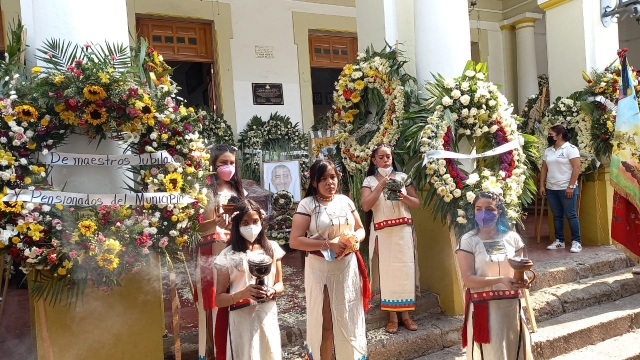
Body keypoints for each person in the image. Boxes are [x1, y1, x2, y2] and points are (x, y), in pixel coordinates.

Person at [289, 160, 370, 360]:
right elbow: (295, 241)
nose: (329, 183)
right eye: (323, 179)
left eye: (332, 177)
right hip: (321, 269)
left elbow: (360, 229)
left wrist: (355, 240)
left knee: (348, 317)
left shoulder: (345, 201)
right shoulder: (307, 204)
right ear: (314, 182)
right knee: (326, 322)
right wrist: (328, 245)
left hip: (347, 266)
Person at [456, 191, 534, 359]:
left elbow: (519, 270)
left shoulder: (512, 238)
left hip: (511, 307)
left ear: (499, 212)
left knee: (515, 350)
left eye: (489, 209)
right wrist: (500, 280)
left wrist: (524, 280)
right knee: (493, 353)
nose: (483, 213)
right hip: (485, 309)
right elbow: (469, 280)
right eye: (478, 209)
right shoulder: (468, 241)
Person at [360, 143, 421, 334]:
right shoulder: (369, 181)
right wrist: (381, 185)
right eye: (382, 157)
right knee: (387, 272)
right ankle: (392, 318)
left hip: (403, 230)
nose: (386, 160)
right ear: (374, 160)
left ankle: (406, 316)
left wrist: (403, 196)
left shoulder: (403, 178)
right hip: (382, 232)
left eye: (389, 156)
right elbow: (366, 206)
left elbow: (416, 203)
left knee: (405, 270)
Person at [214, 199, 285, 360]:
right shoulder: (227, 255)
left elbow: (280, 284)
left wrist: (272, 290)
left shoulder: (272, 248)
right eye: (245, 223)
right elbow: (219, 300)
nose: (251, 226)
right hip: (241, 318)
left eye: (255, 221)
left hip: (267, 314)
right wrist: (242, 293)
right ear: (237, 225)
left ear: (261, 221)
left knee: (269, 353)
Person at [196, 144, 247, 360]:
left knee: (235, 299)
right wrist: (214, 223)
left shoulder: (239, 192)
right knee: (214, 305)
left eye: (231, 163)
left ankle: (236, 350)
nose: (228, 167)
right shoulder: (203, 192)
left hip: (234, 254)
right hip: (211, 256)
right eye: (222, 163)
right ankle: (216, 352)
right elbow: (193, 229)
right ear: (212, 166)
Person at [539, 124, 582, 253]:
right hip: (551, 188)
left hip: (566, 188)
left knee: (571, 215)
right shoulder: (548, 151)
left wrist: (570, 187)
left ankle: (576, 242)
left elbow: (576, 168)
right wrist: (542, 185)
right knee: (557, 215)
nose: (549, 137)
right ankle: (559, 241)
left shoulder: (570, 149)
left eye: (551, 135)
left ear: (559, 135)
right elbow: (544, 168)